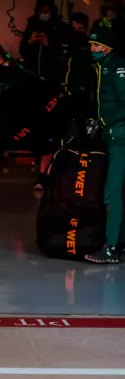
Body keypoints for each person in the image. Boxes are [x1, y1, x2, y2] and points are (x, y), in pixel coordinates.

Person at [21, 0, 71, 189]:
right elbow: (23, 50)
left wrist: (48, 44)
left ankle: (45, 170)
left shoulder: (59, 28)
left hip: (52, 83)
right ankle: (40, 160)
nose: (43, 13)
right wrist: (30, 42)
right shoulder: (32, 24)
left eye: (46, 11)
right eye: (40, 11)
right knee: (36, 124)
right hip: (34, 83)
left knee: (50, 126)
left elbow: (62, 54)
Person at [86, 19, 125, 264]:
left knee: (111, 194)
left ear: (107, 47)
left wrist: (102, 121)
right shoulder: (103, 68)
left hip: (121, 137)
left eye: (96, 45)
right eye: (90, 44)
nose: (92, 49)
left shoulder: (118, 68)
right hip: (113, 136)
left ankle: (111, 247)